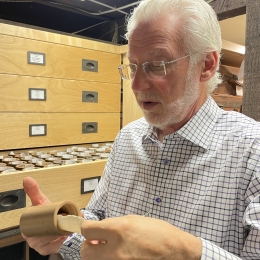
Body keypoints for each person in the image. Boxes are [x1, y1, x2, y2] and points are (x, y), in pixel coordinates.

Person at [22, 0, 260, 259]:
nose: (136, 85)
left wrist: (184, 251)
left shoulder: (252, 151)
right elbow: (99, 219)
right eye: (133, 66)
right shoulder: (128, 138)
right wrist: (64, 232)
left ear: (206, 65)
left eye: (157, 65)